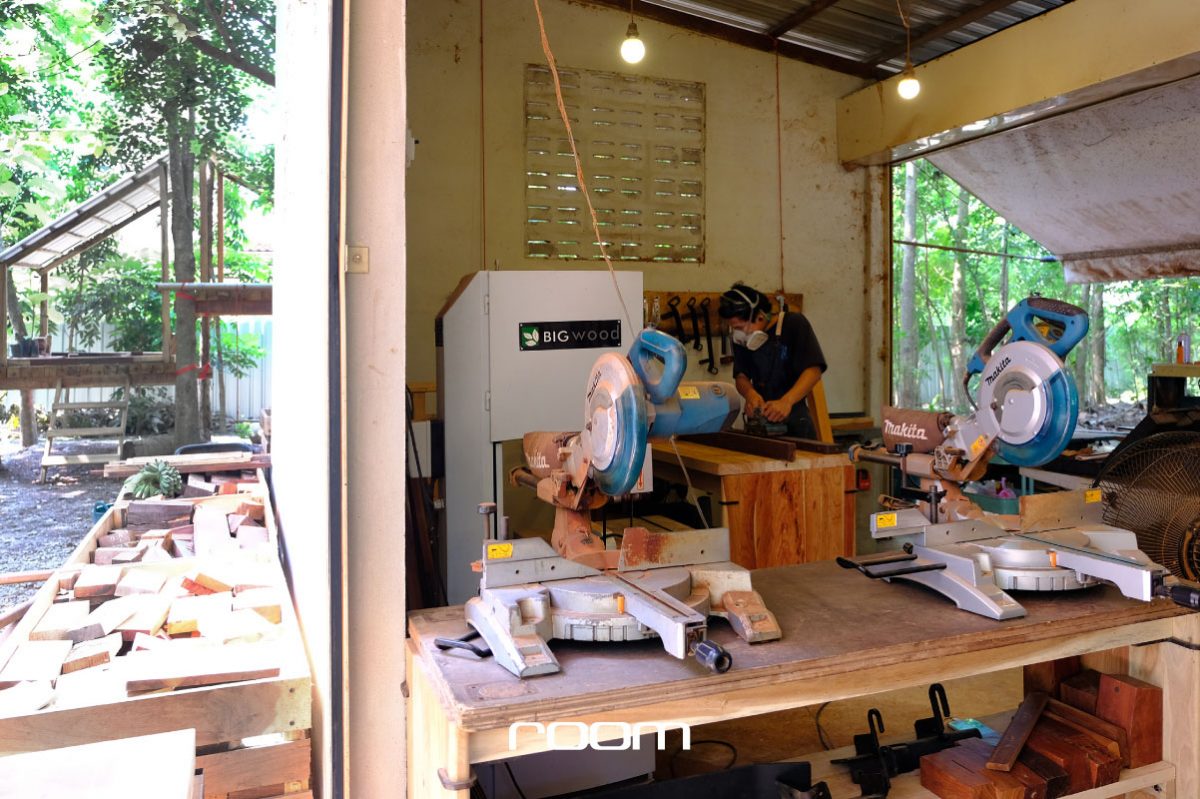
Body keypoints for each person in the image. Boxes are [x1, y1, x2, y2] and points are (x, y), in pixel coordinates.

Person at [717, 283, 827, 439]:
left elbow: (813, 370)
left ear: (760, 316)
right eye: (734, 328)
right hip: (761, 421)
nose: (739, 333)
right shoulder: (742, 340)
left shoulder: (793, 324)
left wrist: (786, 402)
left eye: (740, 327)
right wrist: (750, 394)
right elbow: (741, 376)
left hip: (796, 420)